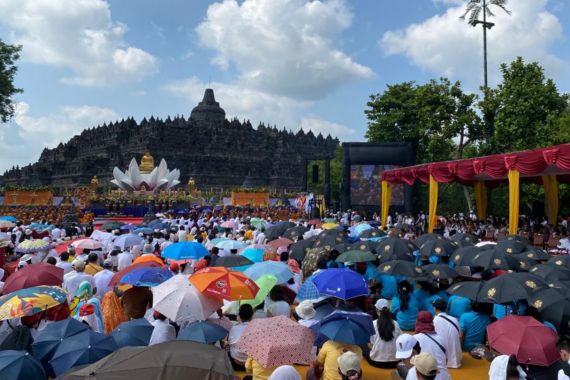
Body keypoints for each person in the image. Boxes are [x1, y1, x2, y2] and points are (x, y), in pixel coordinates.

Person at [413, 311, 451, 380]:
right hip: (444, 376)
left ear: (417, 322)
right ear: (432, 323)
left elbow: (412, 363)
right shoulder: (441, 339)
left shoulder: (414, 339)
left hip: (424, 376)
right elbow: (446, 360)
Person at [367, 298, 401, 368]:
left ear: (377, 310)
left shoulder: (373, 324)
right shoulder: (396, 324)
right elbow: (400, 343)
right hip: (395, 363)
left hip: (376, 362)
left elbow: (370, 345)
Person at [432, 299, 462, 368]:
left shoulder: (434, 321)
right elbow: (460, 336)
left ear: (434, 308)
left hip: (442, 361)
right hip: (457, 360)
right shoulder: (455, 319)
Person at [228, 304, 253, 371]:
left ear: (239, 315)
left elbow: (230, 342)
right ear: (251, 316)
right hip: (251, 364)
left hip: (235, 362)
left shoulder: (233, 328)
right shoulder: (256, 328)